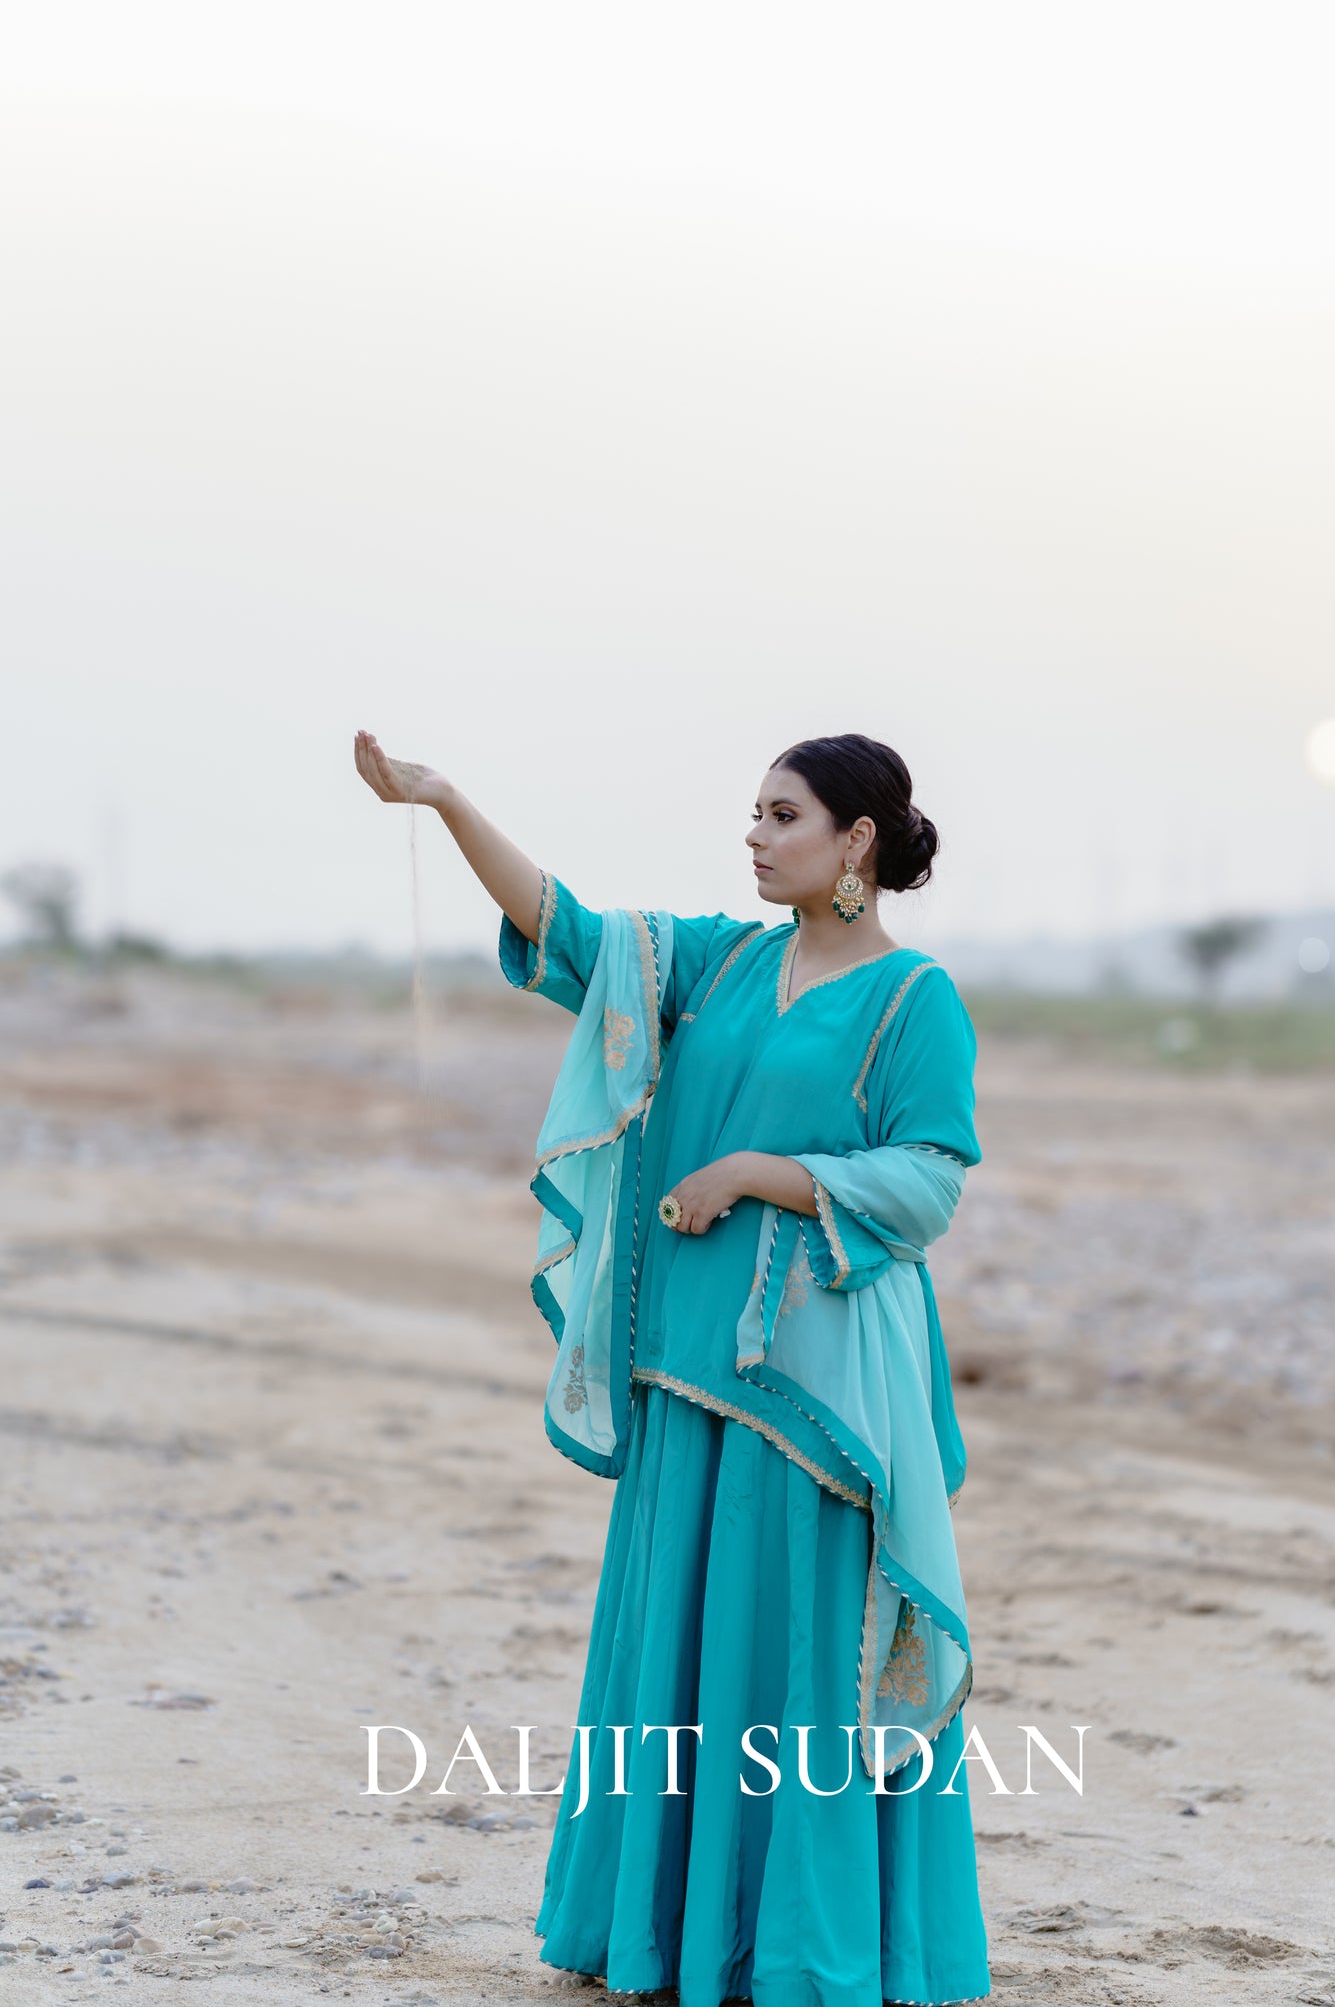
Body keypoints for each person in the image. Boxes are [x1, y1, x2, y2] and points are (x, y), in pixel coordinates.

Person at [353, 726, 992, 2007]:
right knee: (676, 1649)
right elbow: (571, 933)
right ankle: (666, 1935)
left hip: (810, 1393)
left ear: (855, 840)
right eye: (751, 812)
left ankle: (806, 1949)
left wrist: (754, 1173)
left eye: (782, 813)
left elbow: (927, 1184)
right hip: (683, 1373)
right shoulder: (716, 964)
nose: (753, 833)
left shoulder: (914, 998)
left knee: (800, 1658)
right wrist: (443, 801)